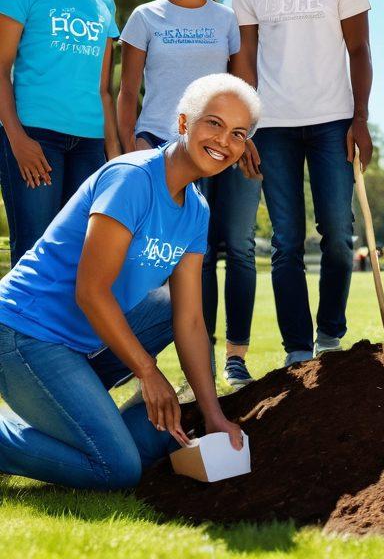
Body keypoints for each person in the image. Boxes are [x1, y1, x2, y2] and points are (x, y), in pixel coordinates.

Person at [0, 74, 254, 490]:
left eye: (238, 133)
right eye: (214, 123)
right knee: (116, 469)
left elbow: (189, 319)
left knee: (169, 313)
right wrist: (148, 372)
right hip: (24, 332)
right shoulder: (132, 178)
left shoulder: (196, 210)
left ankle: (77, 417)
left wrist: (212, 414)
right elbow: (91, 290)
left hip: (80, 344)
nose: (224, 141)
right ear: (185, 123)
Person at [231, 0, 373, 367]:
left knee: (338, 232)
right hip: (272, 127)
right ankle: (296, 350)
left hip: (333, 120)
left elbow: (359, 48)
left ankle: (330, 334)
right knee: (287, 241)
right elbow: (243, 60)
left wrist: (360, 119)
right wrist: (244, 128)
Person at [118, 0, 260, 389]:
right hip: (162, 147)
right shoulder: (145, 17)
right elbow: (127, 91)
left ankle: (234, 358)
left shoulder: (224, 20)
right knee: (165, 259)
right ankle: (154, 367)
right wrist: (129, 149)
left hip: (223, 148)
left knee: (236, 248)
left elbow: (240, 89)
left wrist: (246, 138)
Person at [0, 0, 120, 266]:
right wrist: (17, 139)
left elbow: (105, 89)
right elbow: (1, 69)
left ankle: (62, 330)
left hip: (89, 146)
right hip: (36, 138)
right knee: (34, 254)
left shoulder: (104, 1)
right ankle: (19, 330)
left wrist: (113, 154)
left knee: (79, 258)